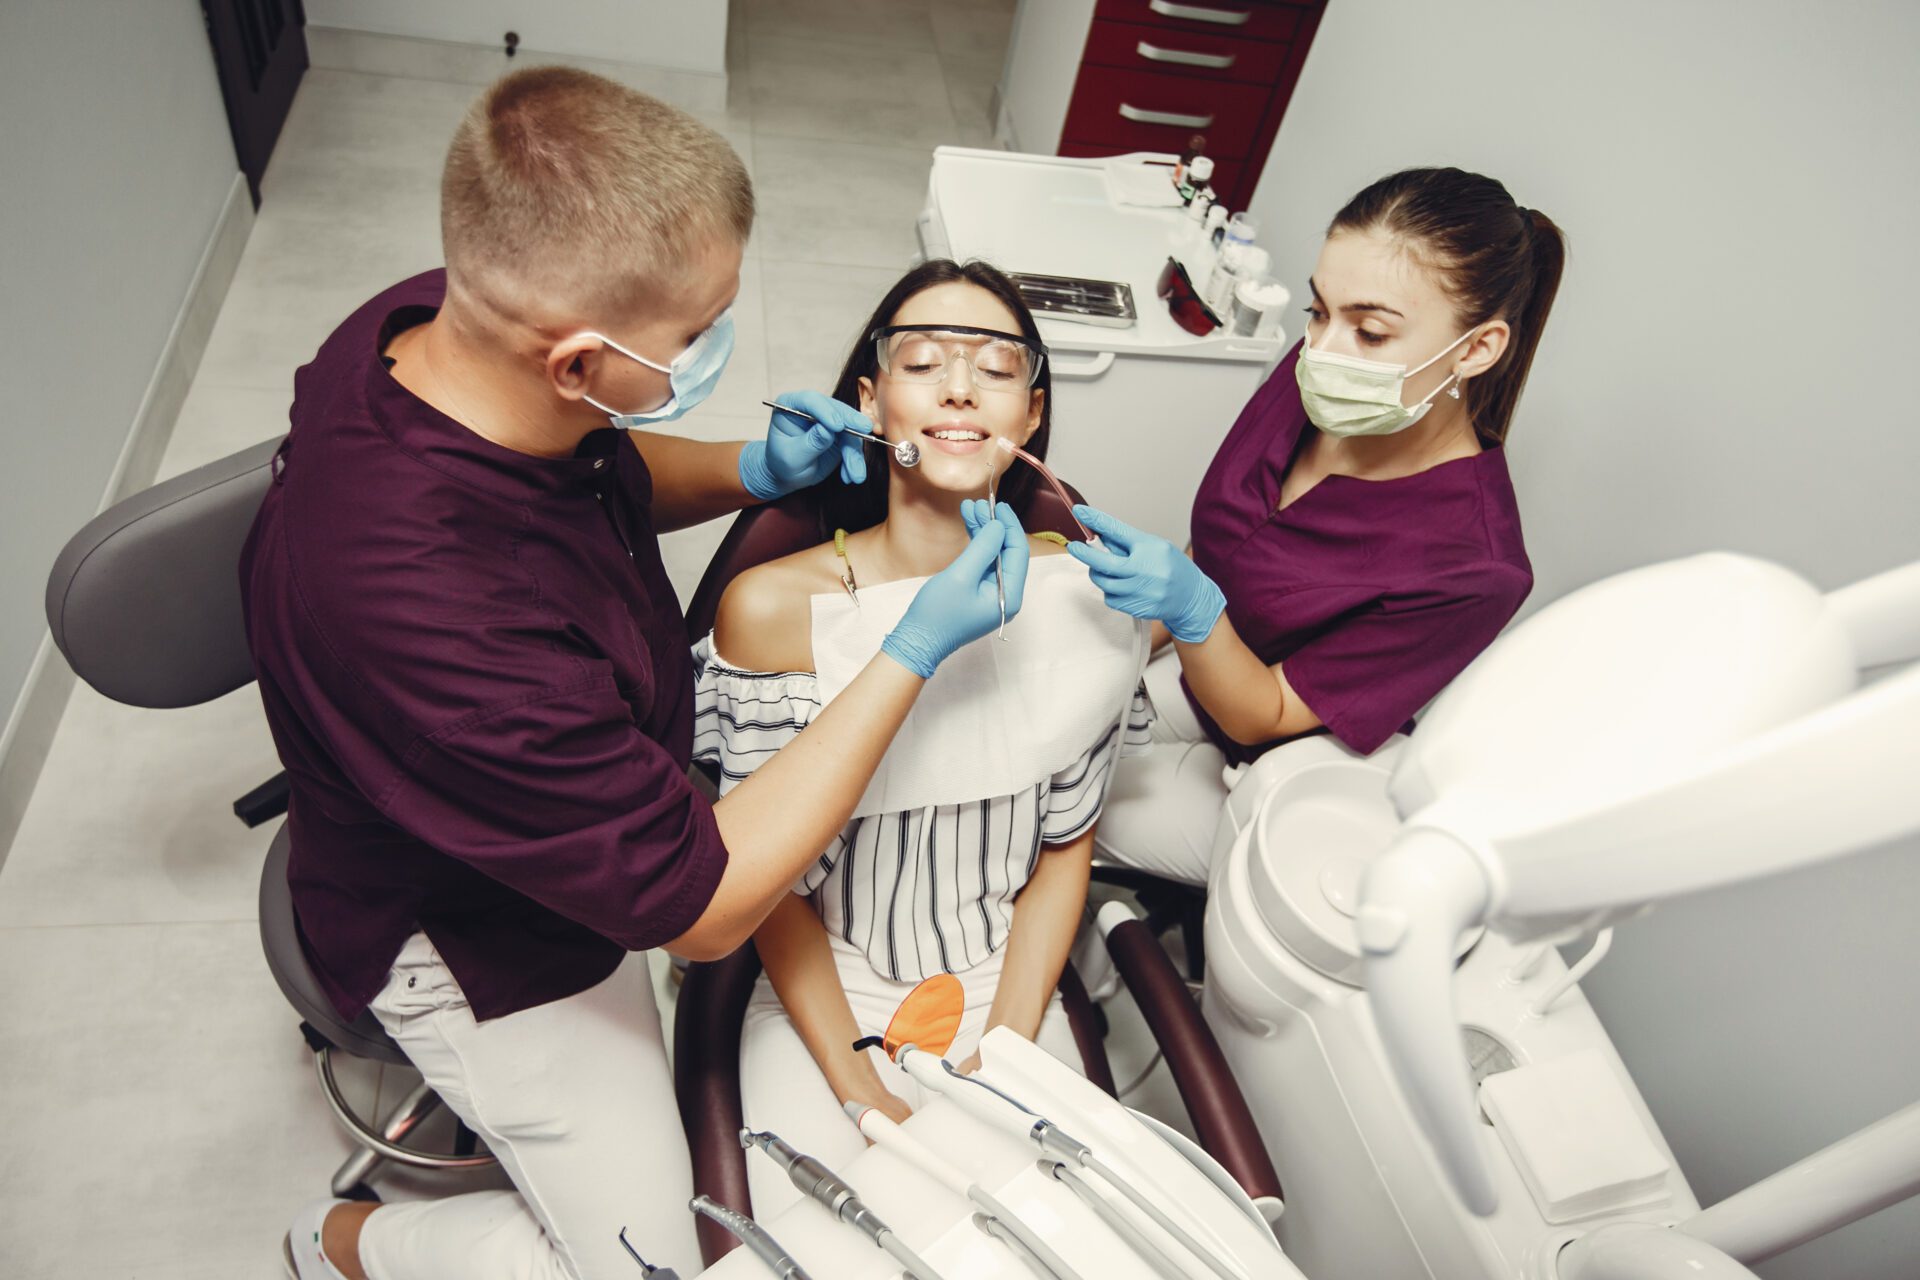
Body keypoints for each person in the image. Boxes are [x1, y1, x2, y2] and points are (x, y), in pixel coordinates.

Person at [248, 69, 1026, 1280]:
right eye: (695, 338)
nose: (719, 347)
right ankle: (351, 1241)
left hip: (561, 809)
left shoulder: (434, 324)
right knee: (660, 1263)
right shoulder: (434, 609)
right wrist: (912, 647)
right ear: (574, 359)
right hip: (476, 931)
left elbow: (591, 464)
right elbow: (705, 902)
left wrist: (743, 469)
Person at [692, 260, 1153, 1218]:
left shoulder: (1088, 596)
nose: (957, 387)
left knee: (1054, 1231)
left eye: (993, 368)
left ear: (1030, 416)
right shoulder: (775, 609)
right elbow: (767, 884)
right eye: (924, 362)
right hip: (826, 983)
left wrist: (1006, 1050)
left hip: (1004, 979)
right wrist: (862, 1091)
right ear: (872, 402)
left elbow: (1066, 850)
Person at [1073, 168, 1564, 885]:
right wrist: (1104, 654)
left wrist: (1188, 610)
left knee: (1040, 807)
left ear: (1476, 349)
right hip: (1184, 661)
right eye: (1317, 311)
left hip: (1254, 764)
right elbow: (1211, 549)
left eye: (1369, 330)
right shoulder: (1323, 380)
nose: (1325, 348)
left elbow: (1260, 715)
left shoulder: (1476, 567)